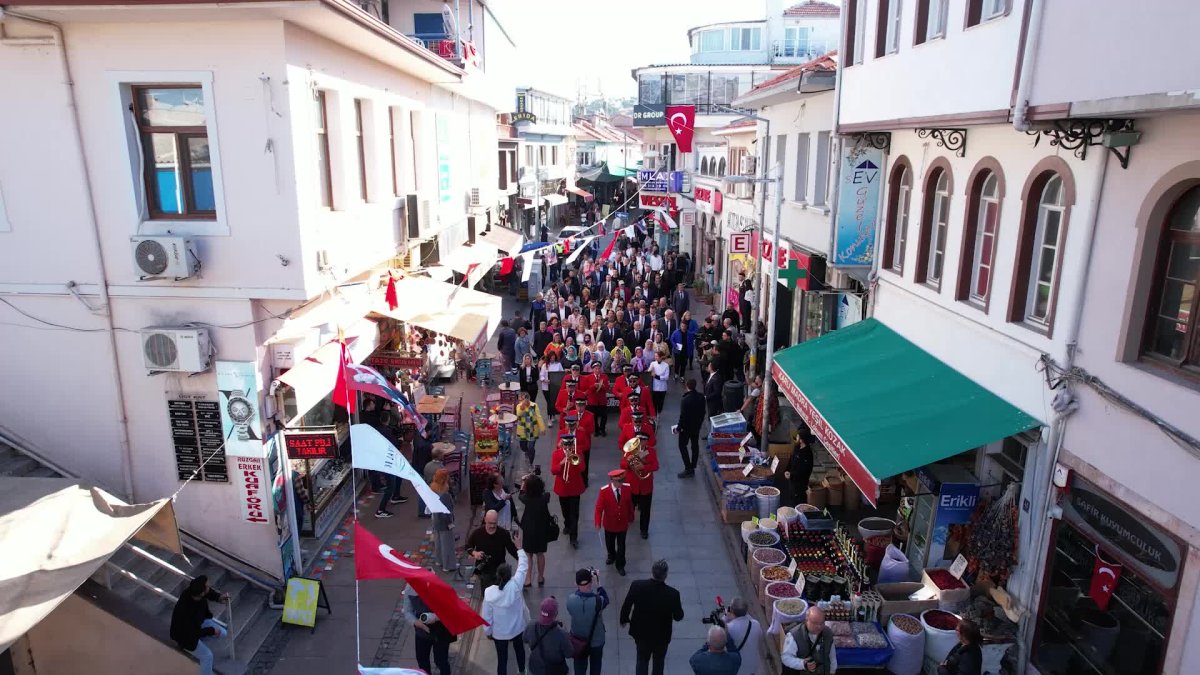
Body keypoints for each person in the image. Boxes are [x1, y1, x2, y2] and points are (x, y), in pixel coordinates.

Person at [619, 559, 685, 675]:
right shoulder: (673, 594)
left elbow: (627, 604)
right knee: (659, 663)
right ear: (665, 575)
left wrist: (624, 619)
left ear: (652, 571)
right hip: (661, 637)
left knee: (642, 660)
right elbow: (678, 616)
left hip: (641, 633)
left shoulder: (637, 586)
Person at [481, 538, 530, 675]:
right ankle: (522, 671)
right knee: (520, 650)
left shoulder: (489, 592)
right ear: (510, 575)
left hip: (499, 633)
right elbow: (523, 566)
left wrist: (488, 632)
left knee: (502, 660)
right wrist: (519, 547)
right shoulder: (515, 585)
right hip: (517, 628)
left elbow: (487, 616)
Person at [170, 575, 230, 675]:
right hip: (185, 636)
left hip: (199, 623)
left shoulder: (194, 592)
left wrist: (218, 597)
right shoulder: (186, 611)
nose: (209, 587)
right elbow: (192, 632)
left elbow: (208, 593)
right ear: (201, 593)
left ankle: (201, 640)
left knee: (223, 633)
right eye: (207, 586)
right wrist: (211, 631)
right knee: (207, 656)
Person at [404, 580, 455, 675]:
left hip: (441, 631)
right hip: (421, 632)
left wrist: (435, 617)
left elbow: (450, 608)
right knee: (422, 661)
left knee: (441, 661)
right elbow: (407, 611)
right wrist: (415, 622)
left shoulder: (439, 585)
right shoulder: (409, 588)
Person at [567, 568, 610, 675]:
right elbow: (606, 599)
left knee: (579, 668)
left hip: (578, 641)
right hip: (597, 641)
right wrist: (598, 583)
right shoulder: (598, 601)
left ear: (576, 583)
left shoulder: (570, 600)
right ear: (591, 583)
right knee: (596, 666)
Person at [594, 468, 635, 576]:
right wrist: (597, 522)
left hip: (622, 524)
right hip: (610, 524)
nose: (621, 483)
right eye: (619, 481)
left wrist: (631, 517)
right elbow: (599, 508)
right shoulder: (604, 491)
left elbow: (630, 505)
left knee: (621, 546)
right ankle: (611, 556)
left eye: (622, 480)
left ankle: (620, 565)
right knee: (610, 544)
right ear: (613, 480)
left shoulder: (627, 488)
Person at [466, 509, 519, 591]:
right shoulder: (477, 533)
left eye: (494, 523)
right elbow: (468, 547)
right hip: (484, 571)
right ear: (485, 520)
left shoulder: (503, 534)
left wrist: (521, 559)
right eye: (490, 523)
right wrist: (474, 553)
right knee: (487, 596)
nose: (492, 526)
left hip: (500, 571)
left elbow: (512, 550)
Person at [519, 473, 554, 588]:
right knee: (540, 554)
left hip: (529, 529)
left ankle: (528, 579)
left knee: (528, 555)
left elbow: (521, 493)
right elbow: (545, 492)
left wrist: (523, 482)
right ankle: (540, 577)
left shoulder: (525, 499)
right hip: (541, 528)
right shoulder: (545, 497)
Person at [551, 433, 585, 548]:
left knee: (574, 514)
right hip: (563, 488)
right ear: (563, 445)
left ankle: (573, 538)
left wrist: (575, 459)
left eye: (570, 444)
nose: (568, 447)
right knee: (565, 511)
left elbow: (582, 468)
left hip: (575, 488)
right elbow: (553, 471)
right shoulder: (557, 454)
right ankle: (567, 524)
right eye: (566, 445)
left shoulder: (578, 452)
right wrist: (561, 463)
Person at [524, 597, 573, 675]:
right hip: (555, 670)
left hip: (535, 668)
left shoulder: (531, 625)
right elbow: (569, 653)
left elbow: (525, 639)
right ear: (555, 614)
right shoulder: (561, 633)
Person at [781, 606, 836, 675]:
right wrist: (802, 663)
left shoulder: (828, 633)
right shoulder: (794, 635)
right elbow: (786, 658)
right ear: (806, 620)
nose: (819, 627)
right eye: (815, 623)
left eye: (821, 623)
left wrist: (832, 671)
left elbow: (832, 655)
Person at [676, 378, 706, 477]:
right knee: (695, 446)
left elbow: (683, 416)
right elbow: (703, 412)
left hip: (686, 428)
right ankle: (693, 465)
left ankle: (688, 467)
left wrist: (679, 428)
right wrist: (699, 424)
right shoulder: (701, 397)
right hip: (696, 427)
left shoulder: (685, 400)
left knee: (682, 446)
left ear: (687, 386)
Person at [724, 598, 763, 675]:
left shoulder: (729, 628)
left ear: (731, 611)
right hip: (752, 666)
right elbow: (760, 634)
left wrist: (726, 617)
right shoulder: (756, 624)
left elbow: (719, 632)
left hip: (737, 668)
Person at [430, 469, 458, 572]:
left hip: (436, 520)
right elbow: (446, 511)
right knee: (447, 544)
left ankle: (439, 560)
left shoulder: (433, 488)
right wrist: (450, 521)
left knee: (438, 542)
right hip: (444, 521)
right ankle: (448, 565)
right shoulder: (445, 493)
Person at [784, 430, 815, 507]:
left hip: (800, 484)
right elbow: (791, 460)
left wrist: (792, 475)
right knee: (791, 499)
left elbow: (804, 471)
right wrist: (786, 470)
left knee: (798, 504)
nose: (796, 438)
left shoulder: (807, 454)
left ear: (802, 440)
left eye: (798, 437)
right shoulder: (797, 448)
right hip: (792, 481)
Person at [515, 391, 547, 468]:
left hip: (532, 430)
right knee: (523, 447)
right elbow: (518, 414)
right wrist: (522, 405)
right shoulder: (519, 406)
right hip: (522, 431)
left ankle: (530, 463)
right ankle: (526, 452)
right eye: (521, 399)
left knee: (531, 448)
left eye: (525, 399)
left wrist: (542, 428)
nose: (523, 401)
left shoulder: (534, 406)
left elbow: (538, 416)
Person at [582, 361, 611, 437]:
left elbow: (608, 388)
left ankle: (602, 429)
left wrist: (603, 386)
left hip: (602, 400)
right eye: (596, 368)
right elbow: (587, 389)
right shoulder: (588, 377)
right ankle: (596, 430)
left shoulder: (604, 377)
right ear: (592, 369)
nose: (597, 370)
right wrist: (593, 386)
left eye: (599, 368)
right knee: (593, 417)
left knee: (604, 416)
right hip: (592, 401)